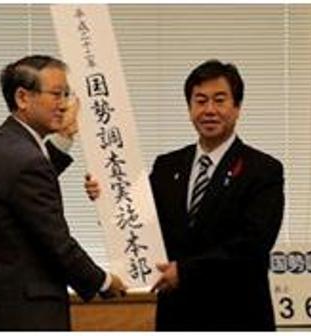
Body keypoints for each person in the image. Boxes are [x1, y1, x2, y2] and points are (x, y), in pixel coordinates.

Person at [85, 59, 284, 331]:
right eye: (200, 101)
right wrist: (106, 198)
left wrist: (186, 272)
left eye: (219, 100)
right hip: (177, 316)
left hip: (237, 314)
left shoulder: (263, 169)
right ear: (189, 108)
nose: (209, 110)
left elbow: (253, 245)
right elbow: (138, 222)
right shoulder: (167, 166)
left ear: (237, 108)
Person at [0, 55, 127, 331]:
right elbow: (57, 243)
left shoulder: (2, 144)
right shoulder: (26, 159)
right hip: (25, 316)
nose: (65, 104)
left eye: (66, 94)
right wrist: (103, 282)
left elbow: (24, 192)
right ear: (23, 97)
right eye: (56, 94)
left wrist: (66, 137)